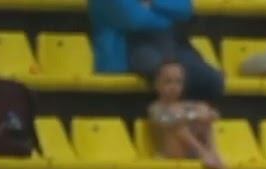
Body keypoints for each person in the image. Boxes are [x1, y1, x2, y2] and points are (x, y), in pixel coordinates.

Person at [88, 0, 224, 102]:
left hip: (171, 42)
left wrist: (153, 2)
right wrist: (168, 17)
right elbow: (134, 18)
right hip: (131, 47)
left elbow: (185, 9)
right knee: (169, 75)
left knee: (212, 80)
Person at [147, 60, 224, 169]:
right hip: (171, 153)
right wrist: (194, 116)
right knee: (177, 121)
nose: (173, 87)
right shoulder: (155, 107)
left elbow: (215, 114)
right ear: (157, 84)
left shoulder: (186, 106)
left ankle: (213, 152)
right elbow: (167, 120)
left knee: (202, 109)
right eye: (168, 82)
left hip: (190, 152)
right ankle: (204, 153)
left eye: (178, 82)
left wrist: (207, 114)